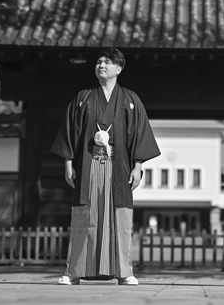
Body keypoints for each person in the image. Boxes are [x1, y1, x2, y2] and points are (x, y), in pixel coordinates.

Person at [51, 48, 161, 286]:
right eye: (99, 61)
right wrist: (68, 163)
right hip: (89, 164)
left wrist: (138, 166)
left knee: (119, 218)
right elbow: (71, 132)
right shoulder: (83, 98)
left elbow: (138, 134)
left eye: (108, 62)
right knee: (84, 216)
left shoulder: (131, 100)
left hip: (118, 167)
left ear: (118, 69)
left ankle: (124, 271)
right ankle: (74, 272)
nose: (101, 65)